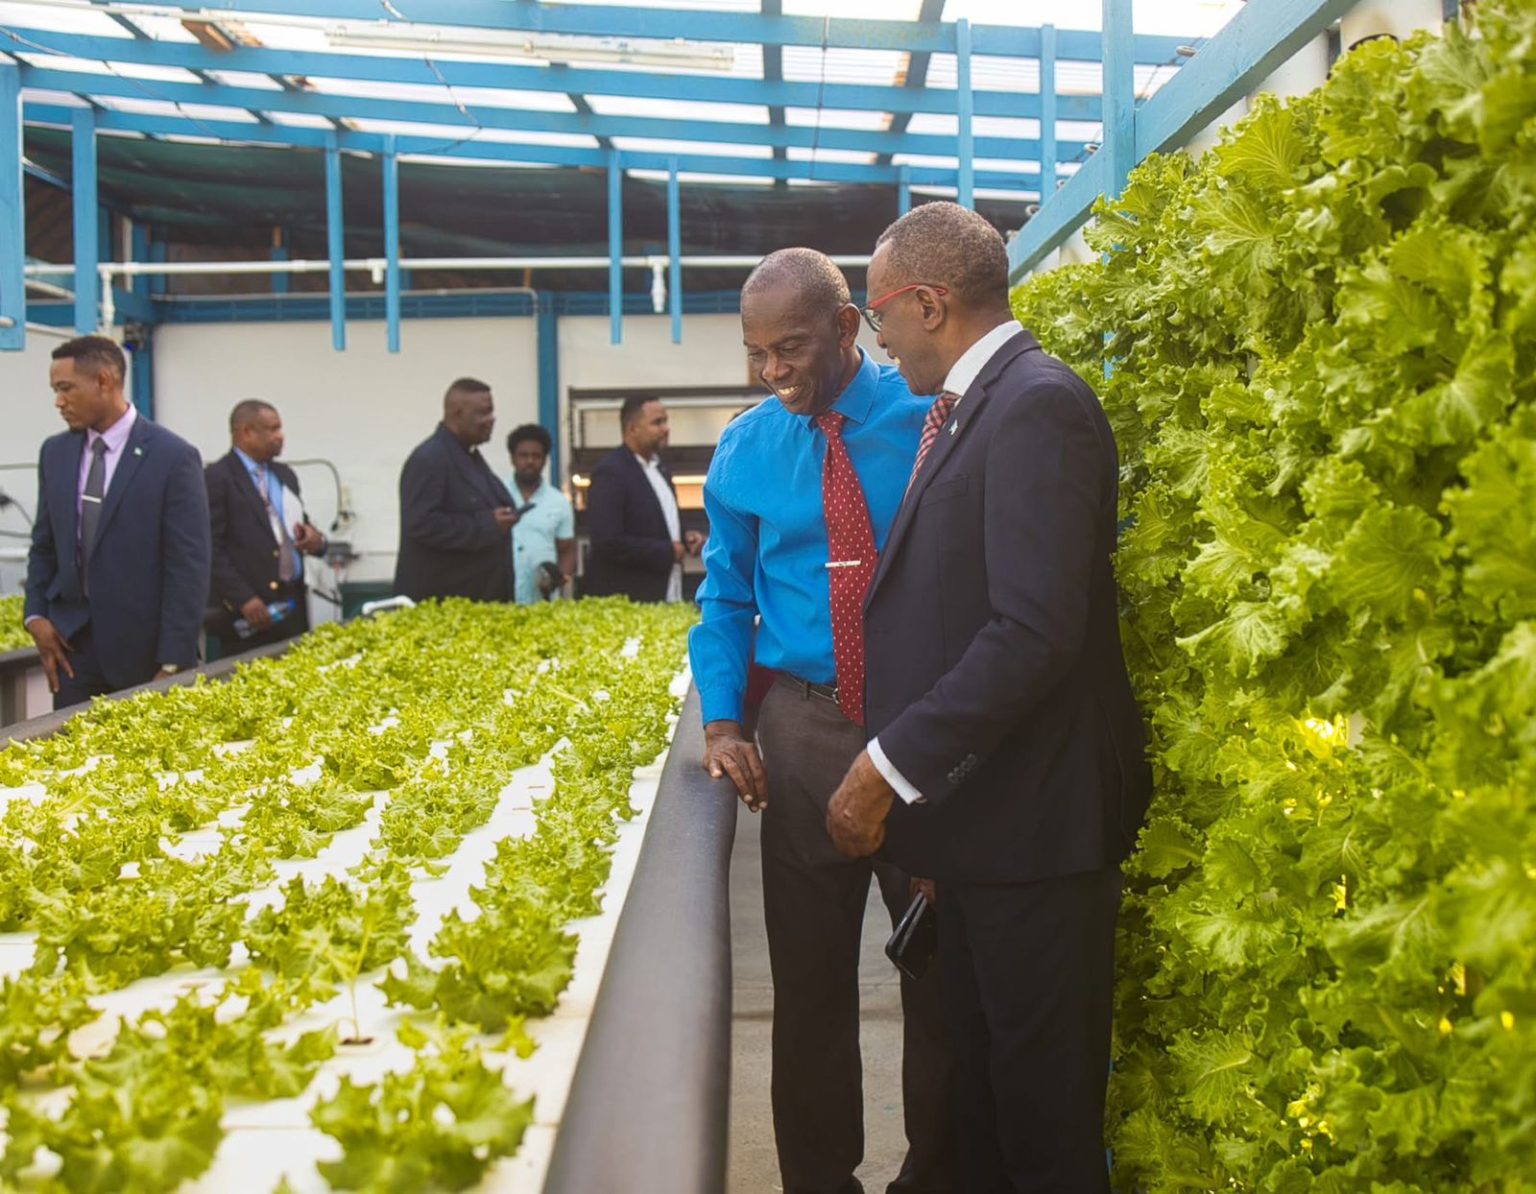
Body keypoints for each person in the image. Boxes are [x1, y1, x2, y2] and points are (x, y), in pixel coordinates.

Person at [825, 202, 1153, 1192]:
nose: (878, 338)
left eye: (881, 313)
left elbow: (1032, 632)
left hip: (1036, 843)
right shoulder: (980, 404)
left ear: (928, 303)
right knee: (978, 1118)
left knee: (1041, 1128)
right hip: (986, 836)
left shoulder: (1036, 403)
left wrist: (885, 770)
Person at [690, 248, 954, 1194]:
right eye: (757, 352)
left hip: (920, 729)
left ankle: (939, 1174)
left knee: (939, 973)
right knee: (807, 987)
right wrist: (726, 724)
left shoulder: (933, 421)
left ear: (847, 328)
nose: (772, 371)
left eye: (790, 347)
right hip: (801, 734)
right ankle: (817, 1180)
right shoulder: (747, 448)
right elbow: (723, 599)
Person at [23, 335, 211, 709]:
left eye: (66, 389)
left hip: (146, 656)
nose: (58, 402)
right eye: (55, 391)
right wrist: (36, 616)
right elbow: (45, 544)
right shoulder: (55, 453)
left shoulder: (173, 457)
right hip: (71, 652)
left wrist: (174, 659)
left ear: (104, 381)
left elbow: (188, 564)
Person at [204, 400, 328, 648]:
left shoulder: (284, 475)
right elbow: (210, 548)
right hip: (249, 615)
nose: (280, 436)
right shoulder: (218, 477)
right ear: (246, 432)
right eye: (272, 429)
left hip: (292, 608)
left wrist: (317, 541)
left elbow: (299, 525)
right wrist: (243, 598)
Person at [393, 377, 518, 603]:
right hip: (444, 607)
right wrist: (486, 524)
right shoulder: (430, 459)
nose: (492, 420)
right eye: (483, 413)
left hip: (479, 602)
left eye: (492, 412)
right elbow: (421, 524)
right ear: (457, 414)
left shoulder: (468, 456)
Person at [582, 396, 701, 601]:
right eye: (657, 423)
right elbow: (607, 541)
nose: (666, 429)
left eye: (666, 421)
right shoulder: (611, 472)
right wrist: (667, 550)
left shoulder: (660, 468)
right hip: (629, 599)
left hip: (667, 591)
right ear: (632, 429)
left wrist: (684, 538)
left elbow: (655, 524)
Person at [503, 423, 575, 603]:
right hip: (501, 599)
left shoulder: (558, 502)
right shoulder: (497, 495)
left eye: (536, 456)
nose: (530, 461)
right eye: (523, 455)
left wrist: (561, 576)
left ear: (545, 460)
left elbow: (567, 550)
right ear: (512, 459)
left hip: (543, 602)